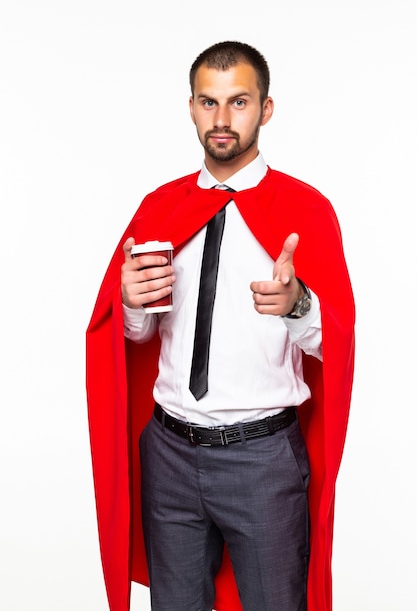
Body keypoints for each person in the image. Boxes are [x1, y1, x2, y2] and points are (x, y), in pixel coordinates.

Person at [86, 41, 355, 611]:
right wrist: (131, 305)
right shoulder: (160, 206)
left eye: (239, 102)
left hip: (262, 461)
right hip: (169, 455)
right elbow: (133, 340)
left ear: (267, 108)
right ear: (190, 108)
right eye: (209, 103)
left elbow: (339, 346)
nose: (223, 119)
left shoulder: (306, 211)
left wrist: (298, 305)